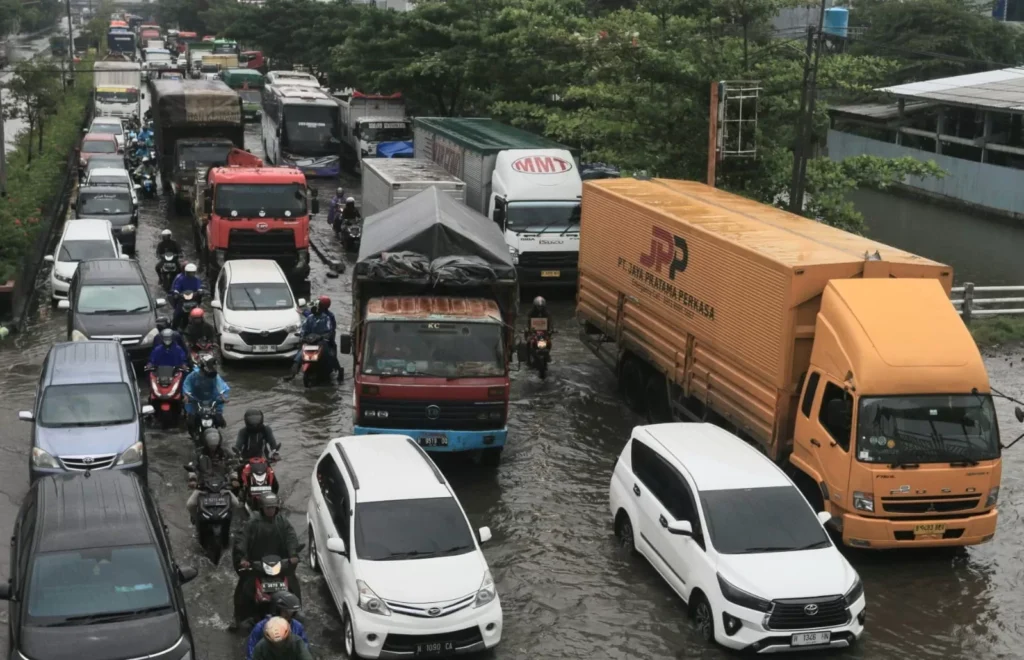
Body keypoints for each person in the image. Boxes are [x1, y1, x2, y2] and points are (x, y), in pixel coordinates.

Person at [232, 493, 301, 630]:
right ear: (262, 508)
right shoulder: (252, 522)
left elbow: (291, 537)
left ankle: (296, 611)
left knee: (293, 585)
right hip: (257, 565)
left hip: (279, 565)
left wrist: (293, 554)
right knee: (244, 589)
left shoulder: (282, 522)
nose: (270, 510)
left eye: (273, 507)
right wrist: (243, 558)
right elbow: (242, 539)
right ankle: (238, 618)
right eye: (268, 507)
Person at [186, 428, 239, 521]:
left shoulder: (225, 453)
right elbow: (193, 468)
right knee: (190, 505)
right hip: (203, 487)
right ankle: (196, 521)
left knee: (235, 503)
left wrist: (234, 479)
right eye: (211, 445)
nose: (213, 447)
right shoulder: (198, 453)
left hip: (222, 487)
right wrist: (193, 480)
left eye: (215, 444)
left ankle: (229, 520)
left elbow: (231, 467)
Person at [286, 295, 340, 381]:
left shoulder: (327, 317)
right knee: (299, 355)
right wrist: (302, 336)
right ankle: (292, 374)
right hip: (310, 340)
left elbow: (330, 329)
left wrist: (324, 336)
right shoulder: (310, 317)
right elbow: (304, 328)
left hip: (322, 341)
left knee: (331, 355)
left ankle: (338, 371)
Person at [245, 592, 308, 660]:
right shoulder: (261, 627)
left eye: (291, 613)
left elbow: (304, 648)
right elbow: (251, 651)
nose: (288, 616)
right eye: (285, 612)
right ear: (277, 610)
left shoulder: (297, 627)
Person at [183, 354, 229, 440]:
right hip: (196, 401)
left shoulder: (215, 377)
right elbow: (187, 384)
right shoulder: (194, 375)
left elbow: (220, 386)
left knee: (220, 421)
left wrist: (222, 396)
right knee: (190, 422)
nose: (213, 369)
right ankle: (193, 436)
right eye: (211, 367)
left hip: (211, 402)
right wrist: (187, 395)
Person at [171, 263, 203, 329]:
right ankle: (174, 328)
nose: (190, 274)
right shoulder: (180, 279)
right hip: (183, 300)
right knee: (177, 315)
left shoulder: (197, 279)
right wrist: (176, 293)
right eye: (189, 273)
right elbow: (177, 288)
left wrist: (200, 291)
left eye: (192, 273)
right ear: (186, 272)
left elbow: (199, 287)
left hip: (193, 300)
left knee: (199, 314)